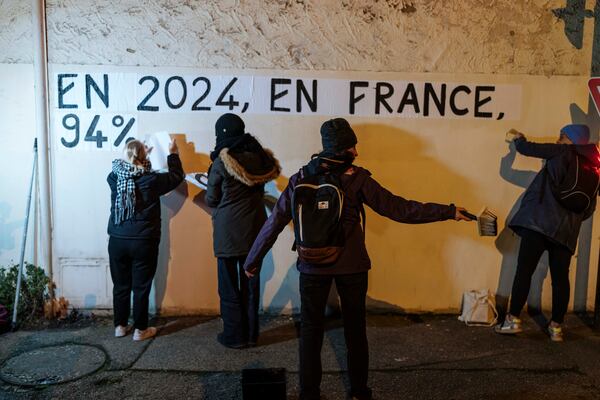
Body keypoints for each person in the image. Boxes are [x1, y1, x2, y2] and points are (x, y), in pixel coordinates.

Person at [243, 118, 470, 400]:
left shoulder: (301, 178)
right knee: (354, 331)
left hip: (311, 266)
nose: (357, 152)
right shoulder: (357, 178)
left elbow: (274, 222)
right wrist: (447, 211)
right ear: (344, 148)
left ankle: (309, 393)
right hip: (352, 266)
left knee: (311, 332)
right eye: (353, 146)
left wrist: (253, 261)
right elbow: (399, 209)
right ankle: (359, 392)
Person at [495, 124, 599, 342]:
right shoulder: (595, 166)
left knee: (524, 271)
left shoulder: (560, 151)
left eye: (562, 136)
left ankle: (513, 320)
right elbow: (588, 209)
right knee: (560, 278)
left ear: (571, 139)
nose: (558, 139)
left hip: (538, 224)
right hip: (567, 233)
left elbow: (527, 149)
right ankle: (556, 328)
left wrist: (518, 140)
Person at [205, 113, 281, 349]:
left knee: (228, 287)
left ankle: (234, 336)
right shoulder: (259, 158)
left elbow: (211, 198)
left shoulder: (221, 162)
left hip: (228, 233)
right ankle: (251, 335)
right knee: (251, 284)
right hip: (255, 232)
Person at [107, 138, 184, 341]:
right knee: (141, 286)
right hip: (143, 241)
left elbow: (127, 166)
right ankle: (141, 330)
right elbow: (176, 177)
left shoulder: (114, 177)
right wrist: (173, 153)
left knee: (121, 285)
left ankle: (120, 326)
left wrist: (139, 155)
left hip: (118, 239)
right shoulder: (151, 180)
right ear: (143, 157)